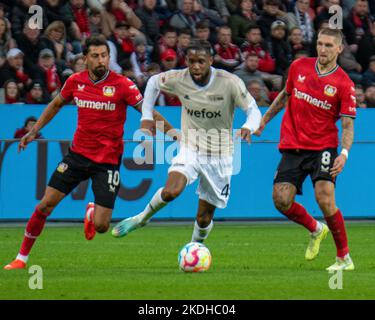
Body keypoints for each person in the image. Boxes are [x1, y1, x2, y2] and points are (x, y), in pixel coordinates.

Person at [4, 34, 175, 270]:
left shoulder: (123, 85)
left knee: (102, 226)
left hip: (107, 162)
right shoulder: (75, 81)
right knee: (45, 205)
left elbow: (148, 111)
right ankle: (21, 258)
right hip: (77, 156)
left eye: (104, 55)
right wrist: (34, 130)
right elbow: (55, 104)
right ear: (85, 58)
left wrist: (175, 134)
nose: (100, 60)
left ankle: (92, 211)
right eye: (95, 56)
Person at [111, 40, 261, 245]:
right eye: (191, 61)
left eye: (201, 61)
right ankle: (142, 218)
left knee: (204, 217)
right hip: (190, 148)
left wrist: (248, 127)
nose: (196, 66)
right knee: (171, 190)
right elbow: (154, 83)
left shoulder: (230, 82)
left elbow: (253, 111)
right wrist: (145, 117)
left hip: (221, 155)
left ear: (210, 60)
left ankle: (195, 246)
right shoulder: (179, 78)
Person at [255, 28, 356, 271]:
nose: (323, 49)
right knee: (281, 200)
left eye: (329, 45)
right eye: (320, 44)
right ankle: (315, 229)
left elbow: (348, 124)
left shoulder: (344, 83)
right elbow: (284, 96)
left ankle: (344, 257)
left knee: (324, 197)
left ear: (339, 49)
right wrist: (263, 120)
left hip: (323, 147)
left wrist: (344, 154)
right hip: (292, 145)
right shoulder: (299, 66)